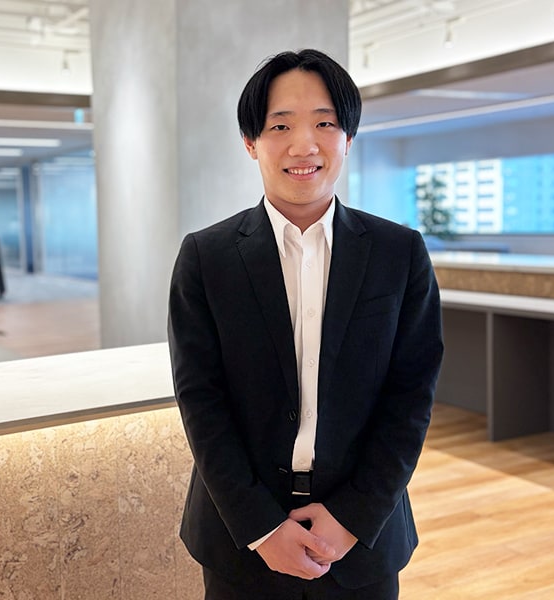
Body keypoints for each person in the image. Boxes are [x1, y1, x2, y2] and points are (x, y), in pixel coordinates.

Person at [167, 49, 443, 600]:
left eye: (324, 123)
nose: (304, 145)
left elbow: (411, 396)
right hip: (242, 541)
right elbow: (201, 401)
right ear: (251, 142)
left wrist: (354, 516)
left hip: (363, 538)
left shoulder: (399, 252)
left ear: (348, 138)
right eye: (280, 126)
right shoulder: (206, 257)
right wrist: (262, 527)